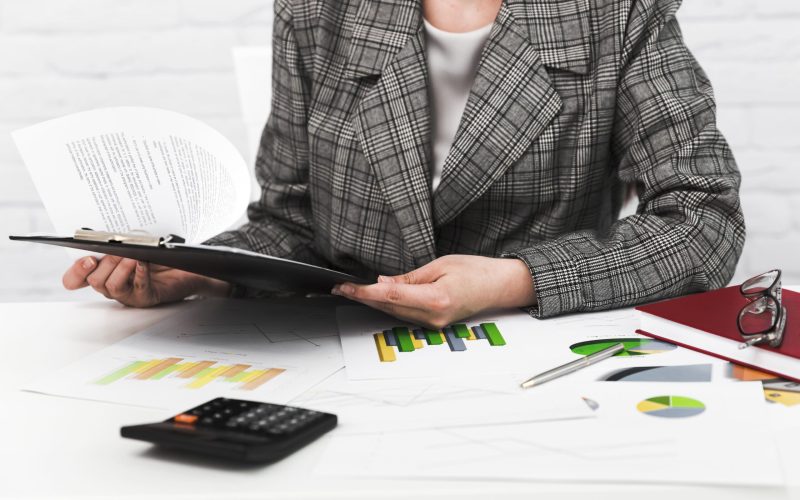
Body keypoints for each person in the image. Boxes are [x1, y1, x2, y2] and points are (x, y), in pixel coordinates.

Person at [62, 0, 745, 329]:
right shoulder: (315, 11)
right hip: (339, 359)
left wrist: (514, 281)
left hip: (527, 347)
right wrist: (198, 270)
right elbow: (292, 223)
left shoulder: (616, 12)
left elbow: (705, 220)